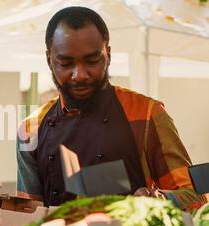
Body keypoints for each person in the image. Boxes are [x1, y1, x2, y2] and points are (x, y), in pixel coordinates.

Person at [16, 6, 206, 210]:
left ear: (108, 54)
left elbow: (195, 198)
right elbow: (27, 212)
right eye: (65, 63)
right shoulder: (30, 130)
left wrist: (158, 200)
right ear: (49, 60)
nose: (79, 74)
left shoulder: (147, 114)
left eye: (92, 60)